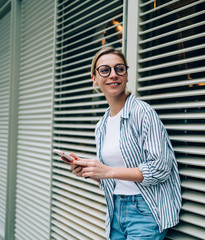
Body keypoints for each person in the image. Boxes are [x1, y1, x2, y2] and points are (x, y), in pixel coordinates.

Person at [68, 46, 182, 240]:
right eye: (105, 70)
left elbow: (161, 168)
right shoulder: (101, 125)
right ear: (94, 78)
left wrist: (107, 171)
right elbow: (114, 178)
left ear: (126, 76)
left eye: (119, 69)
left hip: (145, 211)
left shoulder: (142, 112)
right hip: (115, 211)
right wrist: (92, 173)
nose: (113, 74)